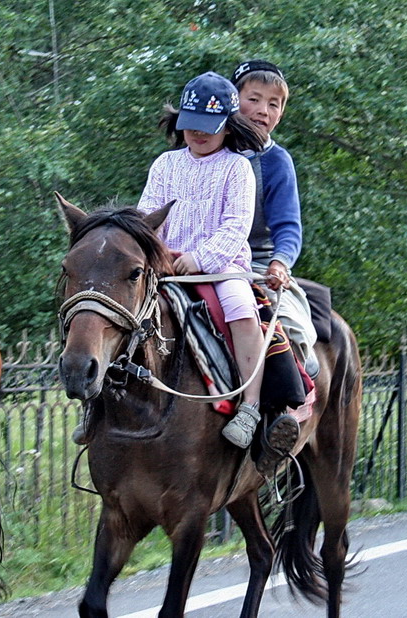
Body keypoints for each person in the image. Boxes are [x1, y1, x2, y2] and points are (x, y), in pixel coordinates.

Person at [138, 71, 269, 449]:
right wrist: (161, 254)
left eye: (208, 127)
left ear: (228, 127)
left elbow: (235, 228)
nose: (198, 134)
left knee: (242, 309)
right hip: (166, 266)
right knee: (122, 309)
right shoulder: (165, 165)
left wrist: (200, 258)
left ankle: (250, 407)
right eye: (191, 126)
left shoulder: (237, 168)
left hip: (223, 266)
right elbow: (148, 218)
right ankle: (103, 402)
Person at [228, 59, 320, 468]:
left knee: (296, 332)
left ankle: (286, 411)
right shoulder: (202, 146)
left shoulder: (276, 161)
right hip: (198, 261)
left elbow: (288, 227)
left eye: (275, 104)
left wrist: (281, 263)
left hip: (258, 265)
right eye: (254, 99)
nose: (264, 110)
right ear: (234, 101)